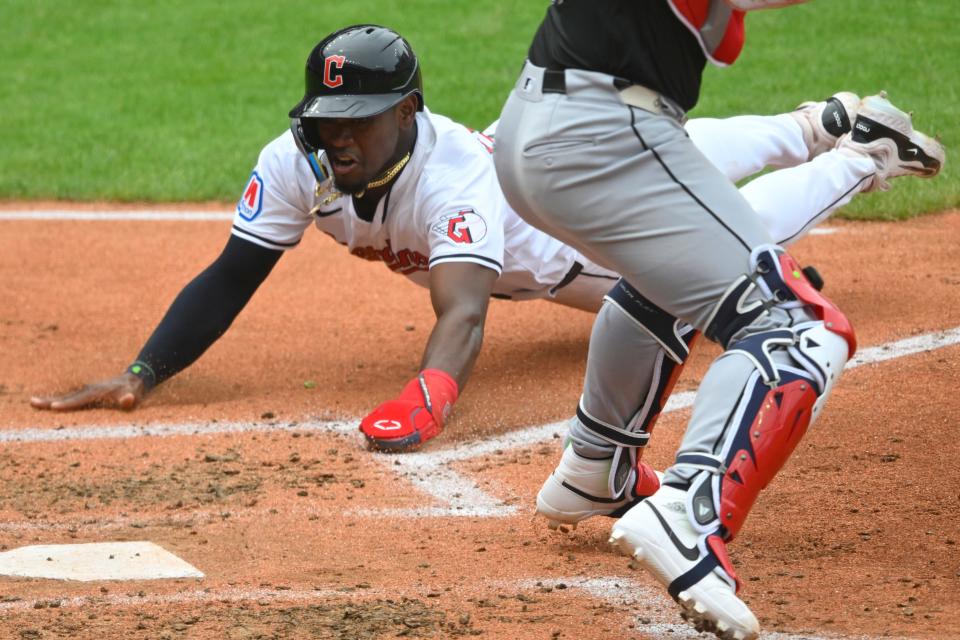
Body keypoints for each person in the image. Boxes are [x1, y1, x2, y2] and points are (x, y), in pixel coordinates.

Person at [30, 24, 941, 462]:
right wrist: (146, 371)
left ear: (408, 113)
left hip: (574, 249)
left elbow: (464, 314)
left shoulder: (450, 180)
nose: (337, 138)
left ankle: (856, 155)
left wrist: (429, 398)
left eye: (360, 119)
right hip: (552, 165)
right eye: (325, 119)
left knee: (729, 245)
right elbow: (233, 273)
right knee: (687, 152)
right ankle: (816, 120)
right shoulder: (299, 161)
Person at [491, 2, 944, 638]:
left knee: (677, 275)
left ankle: (596, 463)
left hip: (540, 127)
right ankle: (690, 511)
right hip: (604, 131)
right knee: (796, 327)